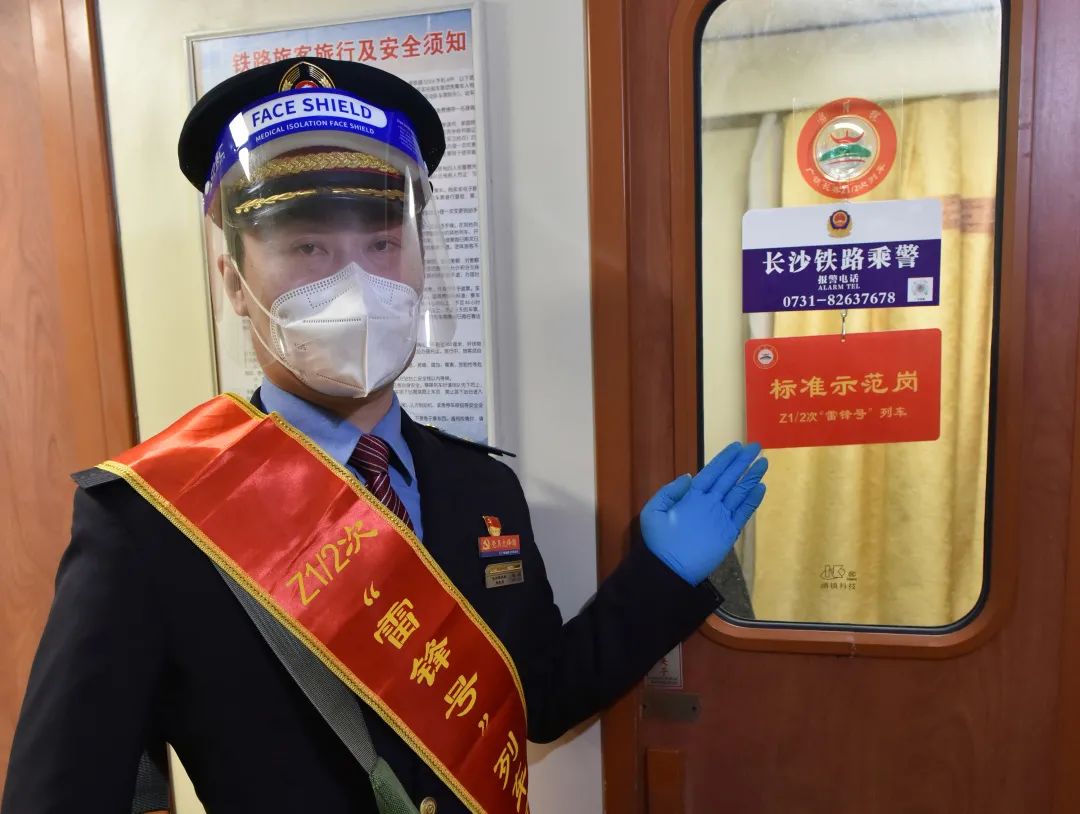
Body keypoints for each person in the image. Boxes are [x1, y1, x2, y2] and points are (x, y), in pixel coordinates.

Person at [1, 57, 766, 814]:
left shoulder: (480, 489)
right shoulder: (154, 519)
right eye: (308, 248)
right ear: (234, 282)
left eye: (381, 244)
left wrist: (661, 577)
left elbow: (538, 699)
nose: (357, 283)